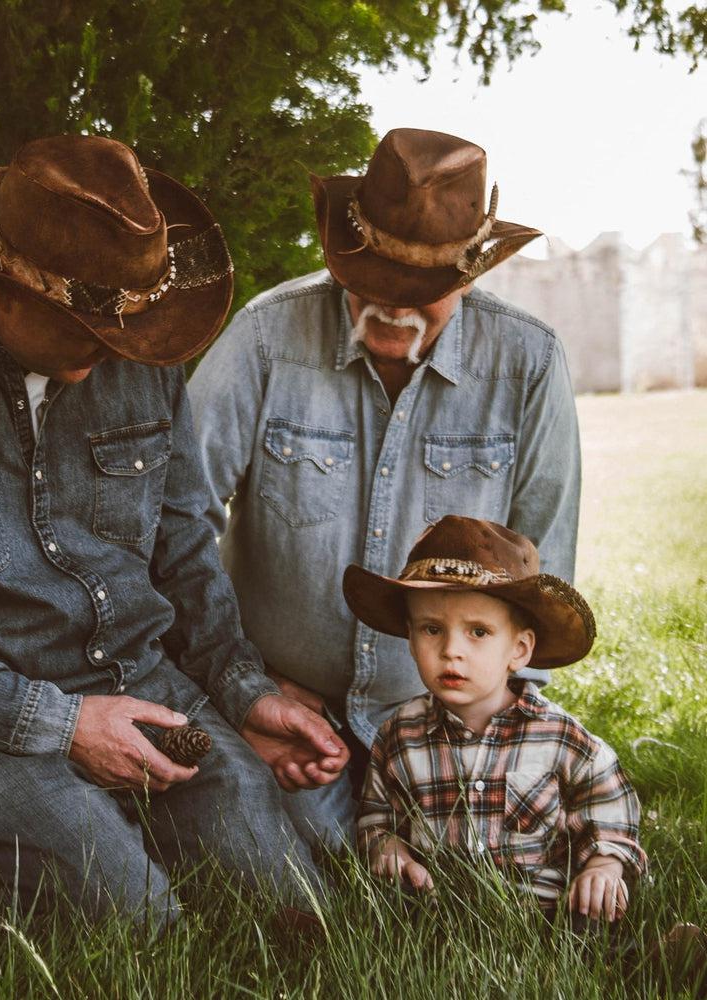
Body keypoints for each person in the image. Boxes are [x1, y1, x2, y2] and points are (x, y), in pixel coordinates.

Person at [0, 134, 348, 930]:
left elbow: (183, 548)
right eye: (86, 333)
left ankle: (31, 861)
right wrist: (62, 725)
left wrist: (242, 690)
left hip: (138, 685)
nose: (115, 355)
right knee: (142, 931)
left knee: (290, 915)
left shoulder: (139, 335)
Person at [187, 128, 581, 848]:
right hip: (289, 712)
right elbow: (175, 526)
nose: (394, 310)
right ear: (344, 257)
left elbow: (543, 574)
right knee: (298, 875)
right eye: (372, 283)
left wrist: (500, 743)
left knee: (485, 871)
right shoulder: (265, 338)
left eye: (424, 294)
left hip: (450, 725)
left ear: (471, 275)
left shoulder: (529, 361)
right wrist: (245, 686)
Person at [344, 515, 645, 919]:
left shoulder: (560, 737)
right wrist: (388, 849)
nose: (452, 650)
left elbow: (611, 809)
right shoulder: (399, 736)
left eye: (478, 632)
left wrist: (604, 865)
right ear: (411, 640)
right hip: (435, 918)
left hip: (546, 919)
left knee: (606, 942)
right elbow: (376, 818)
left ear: (519, 650)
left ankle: (656, 957)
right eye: (432, 629)